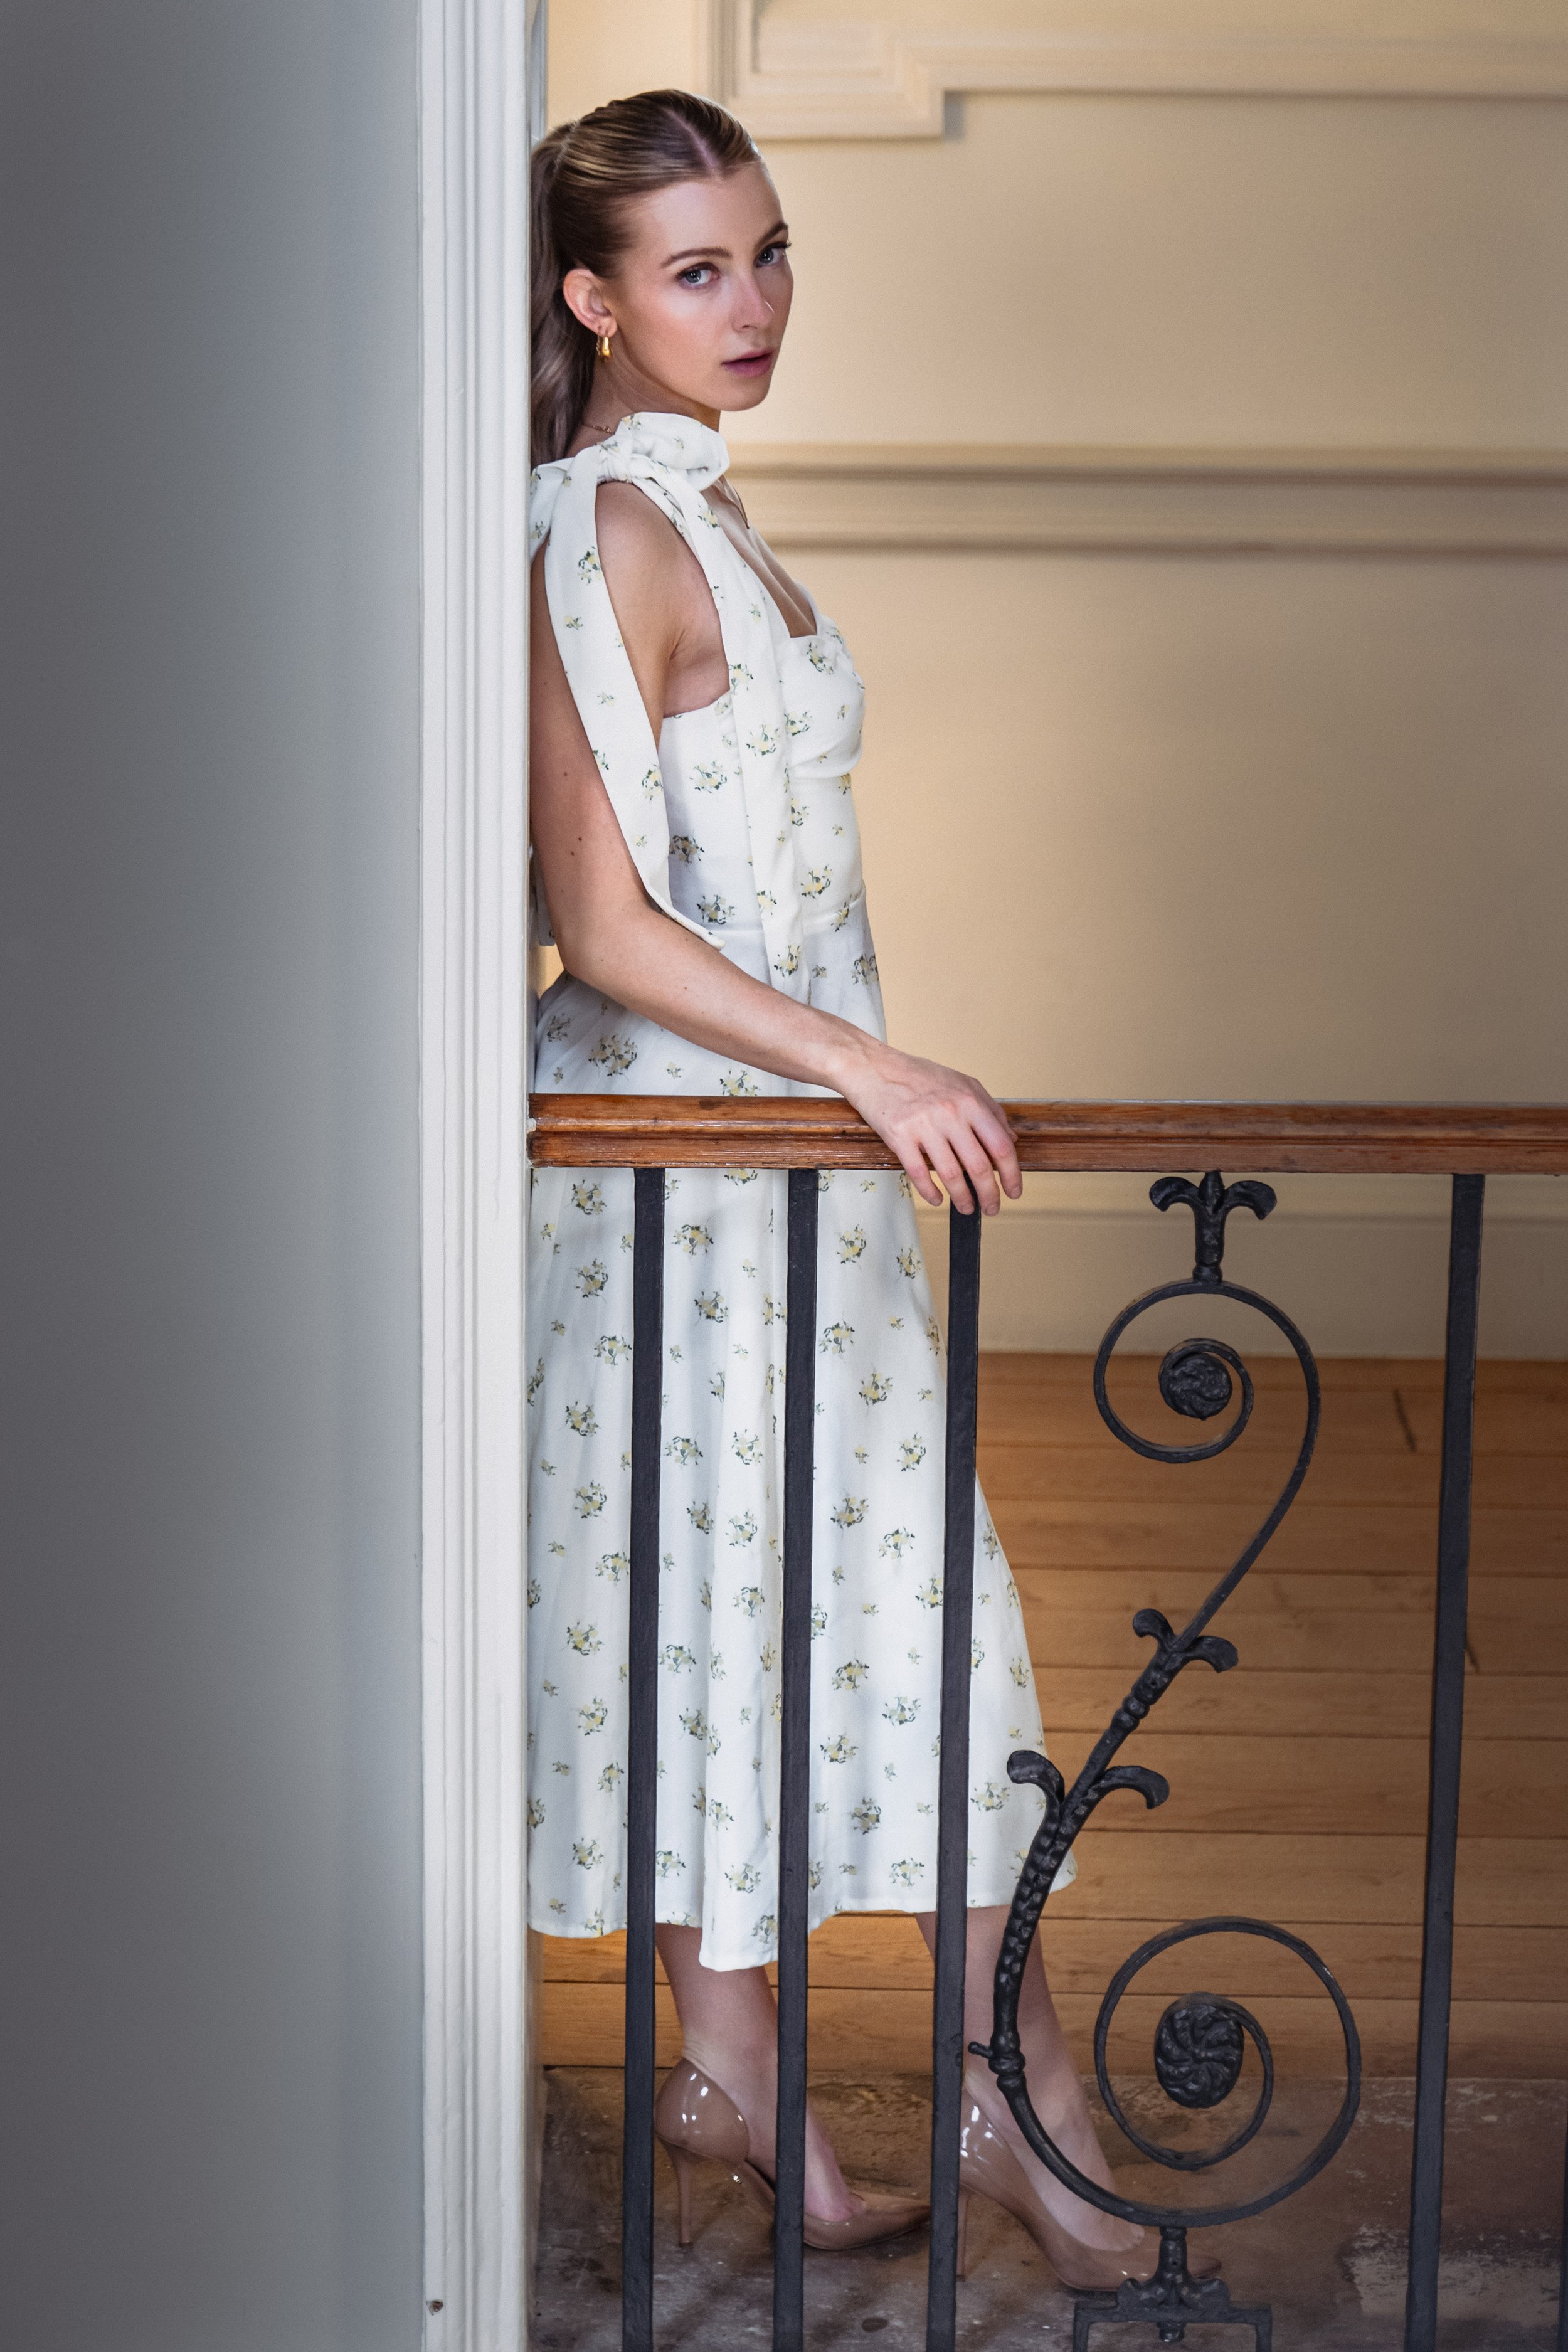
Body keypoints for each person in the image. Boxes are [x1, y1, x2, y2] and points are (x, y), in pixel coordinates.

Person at [525, 87, 1200, 2290]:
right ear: (591, 302)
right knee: (726, 1621)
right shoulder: (596, 534)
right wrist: (874, 1070)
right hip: (683, 1190)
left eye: (771, 250)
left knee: (869, 1614)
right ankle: (852, 2082)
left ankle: (904, 2088)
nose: (755, 303)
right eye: (697, 269)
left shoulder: (713, 520)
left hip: (798, 1187)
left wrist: (856, 1101)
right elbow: (604, 927)